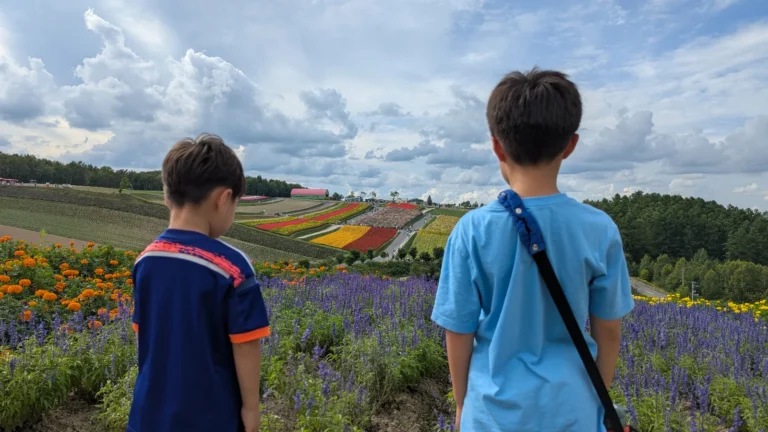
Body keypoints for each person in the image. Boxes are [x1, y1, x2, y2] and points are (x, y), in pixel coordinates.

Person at [431, 68, 633, 432]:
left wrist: (463, 406)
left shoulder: (471, 231)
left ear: (496, 145)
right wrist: (598, 402)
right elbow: (610, 333)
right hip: (574, 412)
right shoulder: (599, 229)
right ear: (571, 145)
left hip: (490, 415)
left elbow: (458, 332)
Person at [129, 133, 270, 432]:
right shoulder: (232, 267)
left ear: (167, 196)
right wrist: (251, 410)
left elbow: (144, 337)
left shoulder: (145, 260)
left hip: (148, 413)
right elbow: (246, 345)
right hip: (210, 416)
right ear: (223, 199)